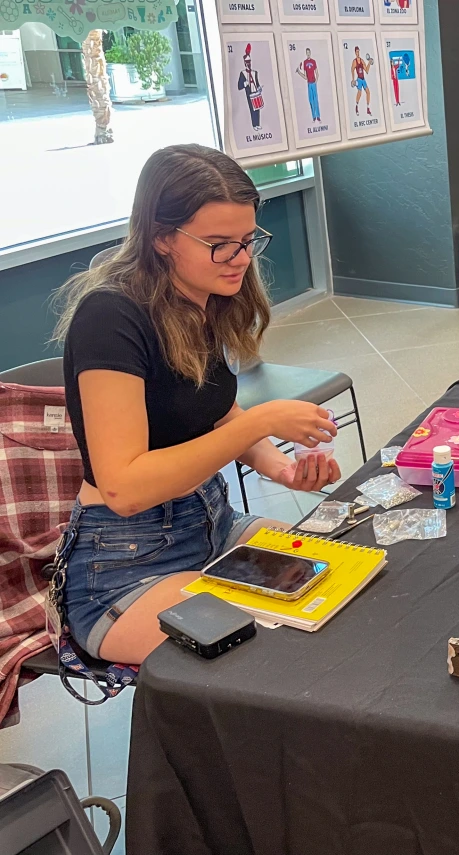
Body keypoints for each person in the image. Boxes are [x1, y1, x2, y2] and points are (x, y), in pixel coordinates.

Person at [51, 144, 341, 666]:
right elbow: (124, 487)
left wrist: (282, 468)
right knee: (279, 655)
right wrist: (265, 419)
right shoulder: (109, 318)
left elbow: (212, 410)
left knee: (342, 581)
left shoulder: (196, 294)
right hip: (124, 564)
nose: (242, 259)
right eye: (219, 244)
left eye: (249, 240)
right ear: (161, 237)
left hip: (212, 523)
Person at [237, 45, 263, 131]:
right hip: (249, 94)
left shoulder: (255, 72)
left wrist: (259, 88)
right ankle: (254, 125)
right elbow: (239, 86)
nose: (249, 64)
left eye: (250, 62)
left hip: (256, 92)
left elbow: (257, 82)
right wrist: (245, 83)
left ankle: (258, 123)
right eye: (247, 62)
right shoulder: (243, 73)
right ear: (245, 63)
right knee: (252, 109)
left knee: (257, 108)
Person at [297, 47, 320, 122]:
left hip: (313, 83)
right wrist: (299, 73)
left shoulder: (313, 61)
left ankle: (318, 116)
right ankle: (313, 117)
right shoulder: (305, 62)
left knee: (316, 100)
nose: (308, 54)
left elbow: (317, 72)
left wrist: (316, 80)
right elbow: (305, 76)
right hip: (309, 84)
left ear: (310, 53)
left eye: (309, 52)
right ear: (306, 53)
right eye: (307, 52)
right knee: (311, 101)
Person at [350, 46, 373, 116]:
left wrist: (369, 63)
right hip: (359, 79)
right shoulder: (354, 61)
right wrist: (353, 80)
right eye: (356, 52)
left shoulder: (362, 60)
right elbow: (352, 70)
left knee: (368, 92)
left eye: (358, 51)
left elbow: (366, 70)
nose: (358, 53)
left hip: (363, 79)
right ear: (355, 52)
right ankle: (356, 106)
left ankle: (368, 108)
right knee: (359, 93)